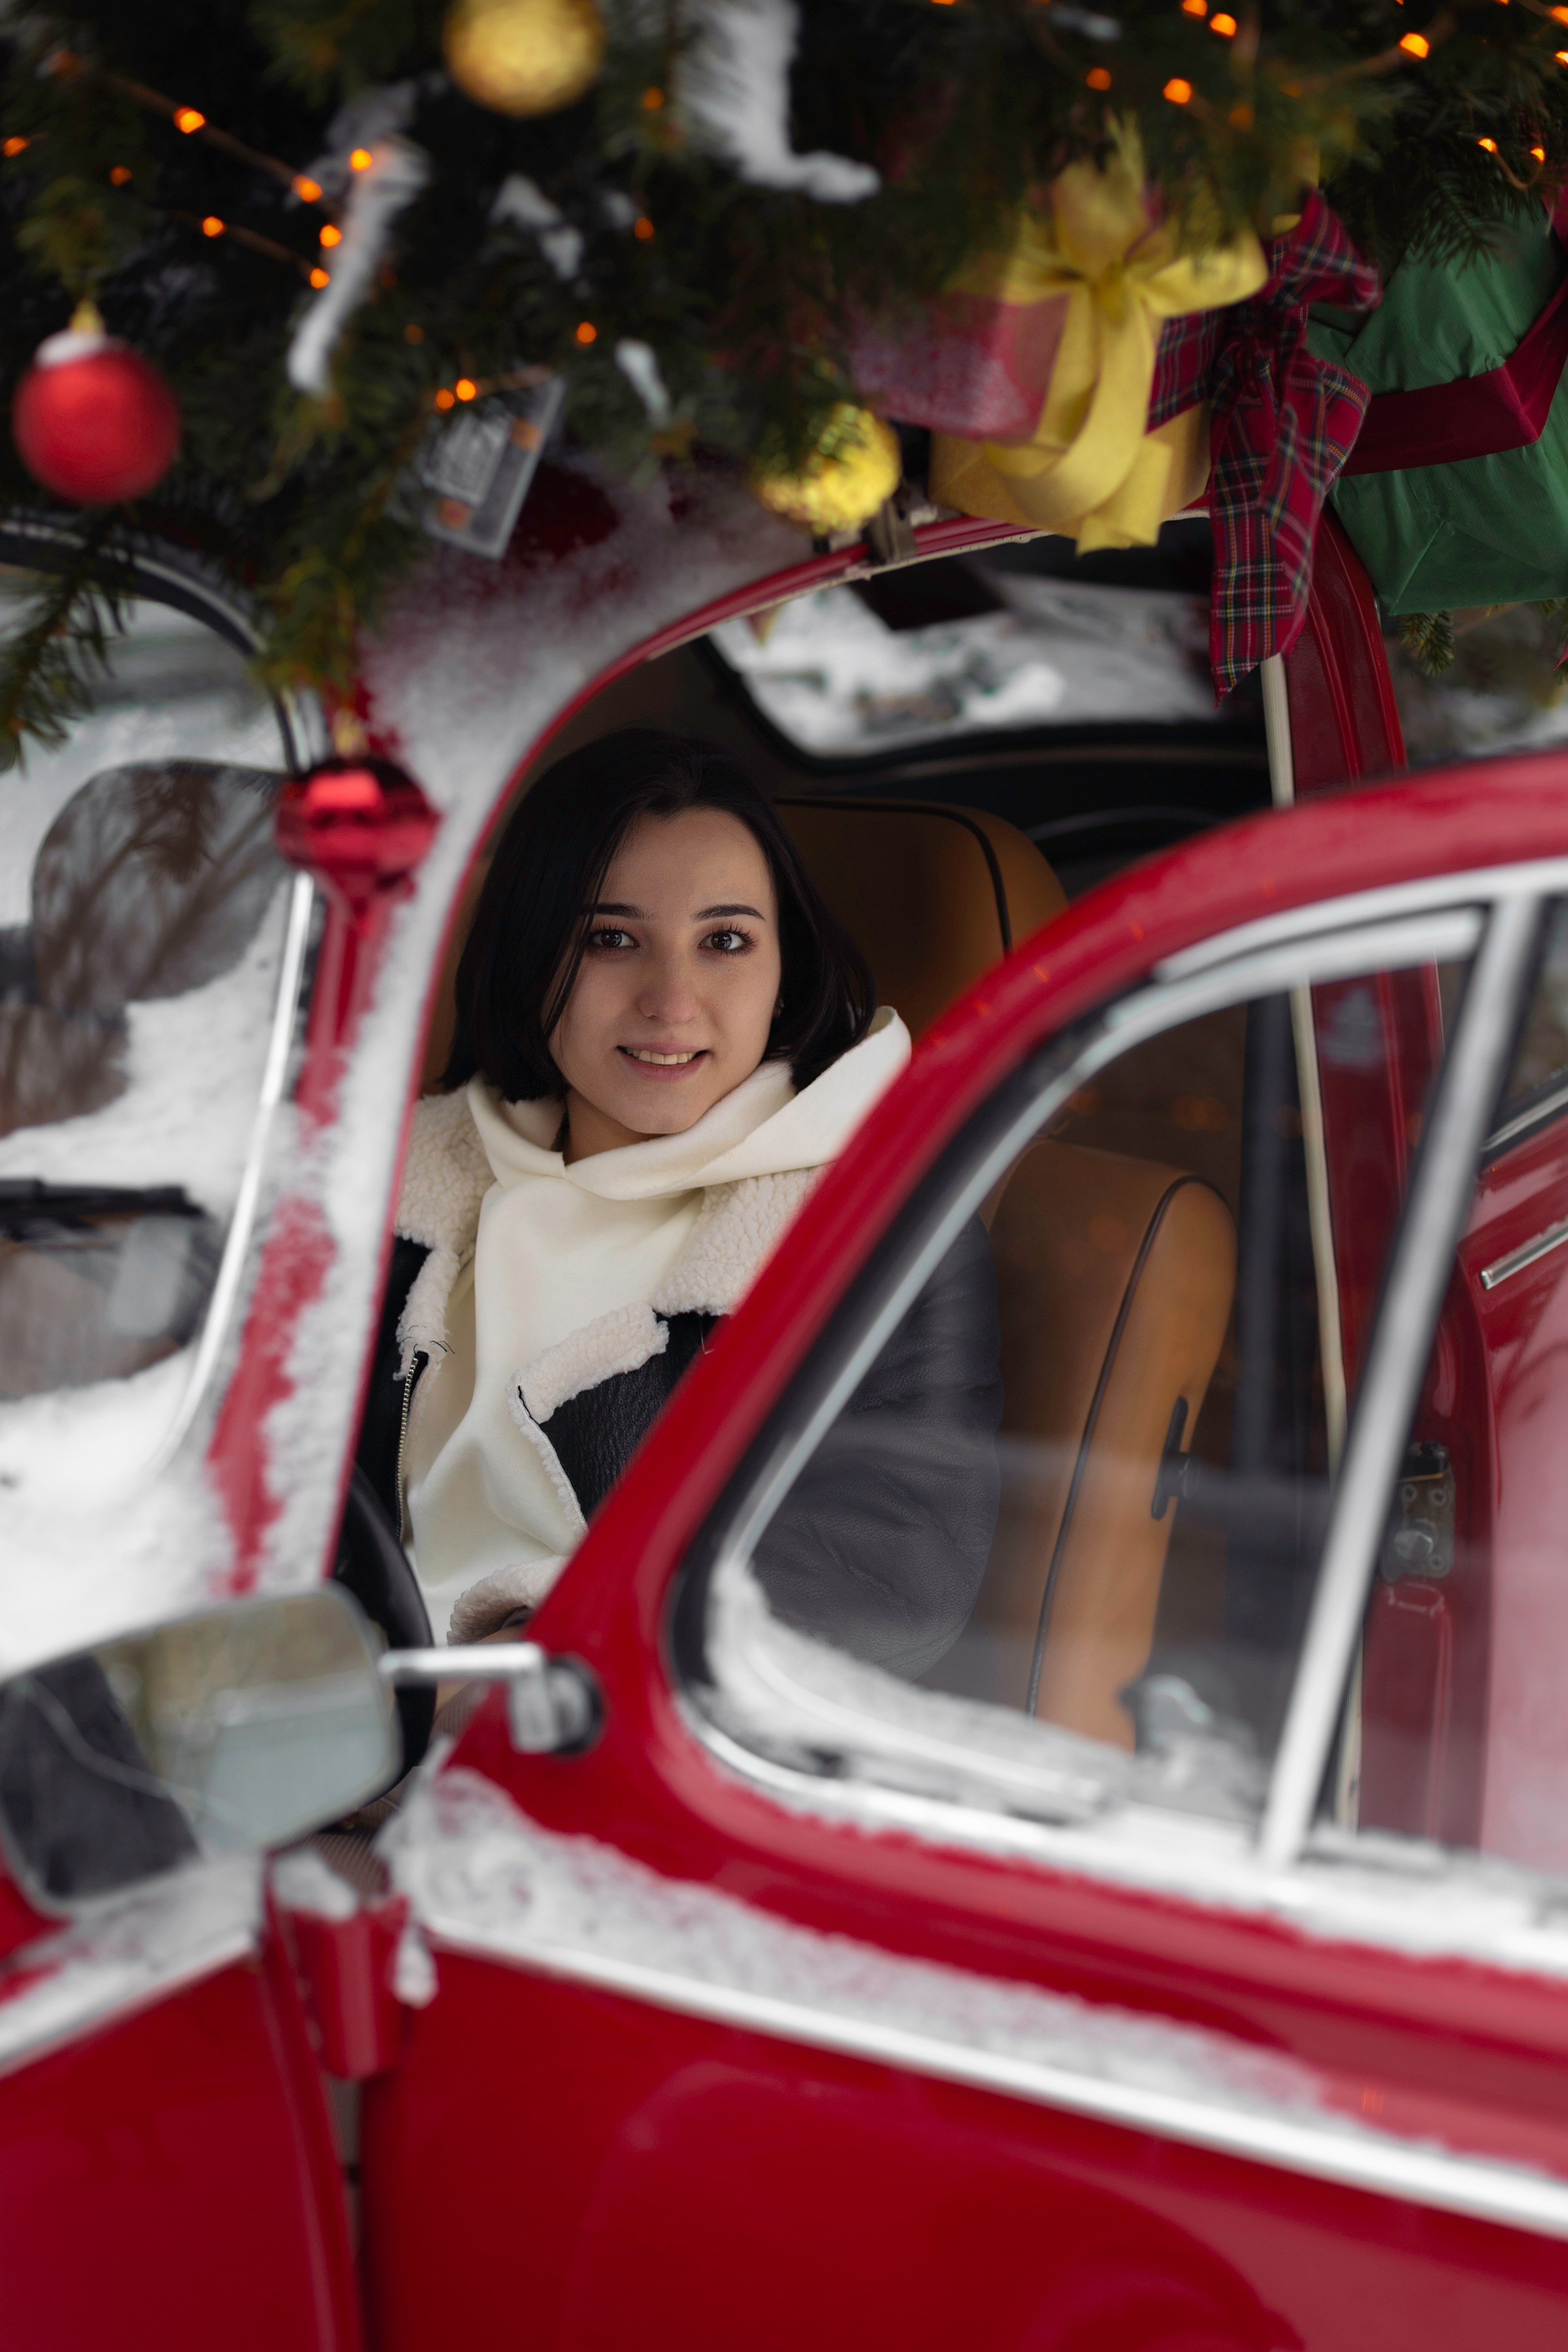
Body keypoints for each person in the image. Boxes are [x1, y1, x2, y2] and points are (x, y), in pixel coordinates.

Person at [353, 728, 1001, 1678]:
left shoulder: (880, 1221)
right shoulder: (400, 1176)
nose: (672, 1000)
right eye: (612, 939)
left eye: (725, 941)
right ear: (533, 958)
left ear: (785, 975)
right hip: (333, 1713)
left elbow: (885, 1586)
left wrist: (532, 1683)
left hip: (613, 1752)